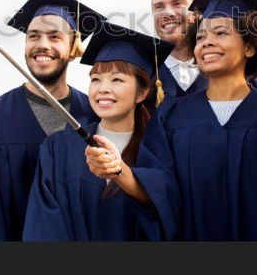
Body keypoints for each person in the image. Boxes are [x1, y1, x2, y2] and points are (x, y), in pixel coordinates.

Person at [89, 0, 257, 240]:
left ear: (249, 46)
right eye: (200, 37)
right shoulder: (170, 116)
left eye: (221, 33)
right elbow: (159, 188)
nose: (207, 42)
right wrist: (119, 169)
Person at [0, 0, 102, 240]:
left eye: (54, 37)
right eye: (33, 36)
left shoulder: (94, 115)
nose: (41, 44)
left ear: (73, 49)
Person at [23, 23, 174, 240]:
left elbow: (171, 216)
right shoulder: (59, 148)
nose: (102, 88)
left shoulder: (160, 147)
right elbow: (44, 226)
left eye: (117, 79)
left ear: (142, 93)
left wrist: (122, 173)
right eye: (96, 79)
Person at [140, 0, 257, 105]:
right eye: (159, 7)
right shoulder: (141, 71)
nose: (167, 13)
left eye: (178, 3)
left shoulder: (238, 70)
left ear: (198, 12)